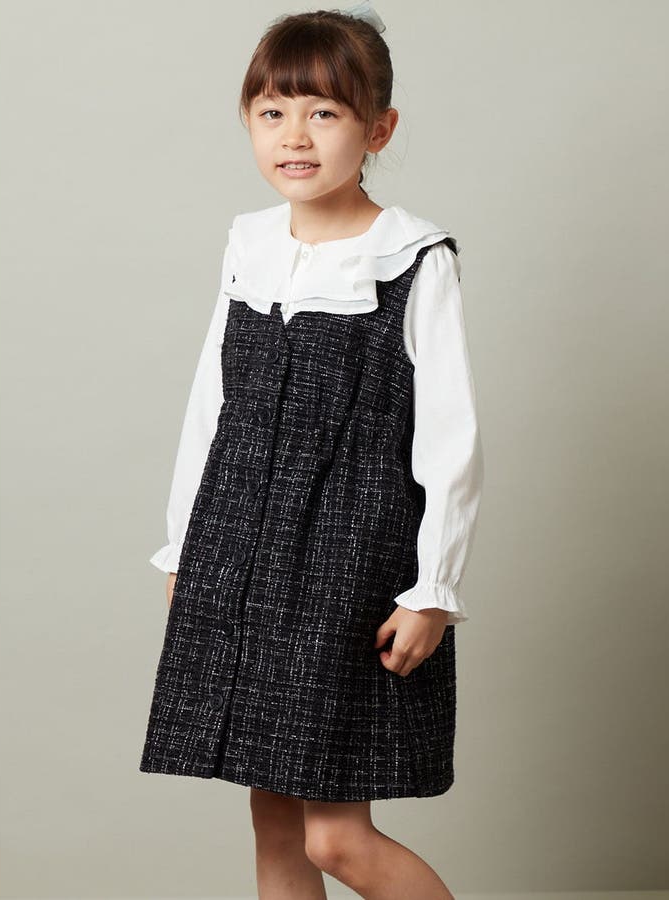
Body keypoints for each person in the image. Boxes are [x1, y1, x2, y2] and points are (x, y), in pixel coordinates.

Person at [139, 3, 484, 897]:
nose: (295, 135)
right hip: (240, 547)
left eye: (324, 112)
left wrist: (433, 589)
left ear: (378, 129)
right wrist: (185, 545)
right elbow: (213, 404)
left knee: (336, 838)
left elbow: (451, 437)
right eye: (272, 111)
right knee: (275, 822)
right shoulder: (248, 243)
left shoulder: (413, 257)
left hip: (348, 558)